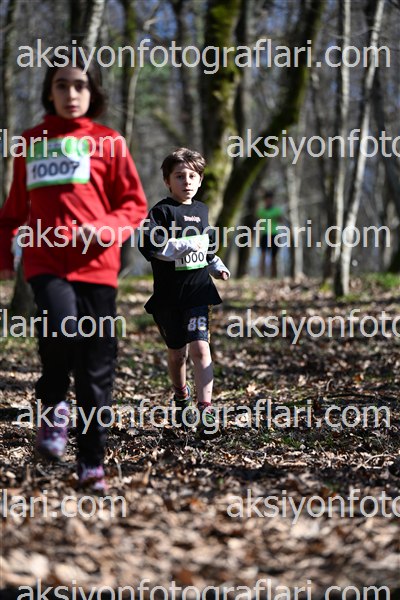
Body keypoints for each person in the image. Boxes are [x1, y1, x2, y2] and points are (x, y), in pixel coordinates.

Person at [0, 51, 148, 491]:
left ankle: (91, 463)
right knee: (61, 331)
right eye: (61, 85)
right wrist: (5, 259)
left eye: (80, 85)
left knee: (95, 367)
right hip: (46, 262)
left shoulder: (109, 142)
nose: (71, 93)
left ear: (93, 91)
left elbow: (133, 205)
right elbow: (13, 212)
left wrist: (104, 229)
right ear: (49, 92)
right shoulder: (30, 142)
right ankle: (52, 408)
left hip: (97, 267)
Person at [139, 148, 230, 433]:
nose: (186, 182)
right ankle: (181, 395)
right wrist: (183, 245)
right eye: (179, 176)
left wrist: (215, 264)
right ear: (167, 181)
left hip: (198, 292)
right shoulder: (161, 212)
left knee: (201, 348)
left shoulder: (202, 210)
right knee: (177, 354)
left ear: (200, 180)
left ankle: (206, 409)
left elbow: (206, 246)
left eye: (192, 176)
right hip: (168, 296)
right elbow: (152, 247)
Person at [257, 191, 283, 278]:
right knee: (263, 255)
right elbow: (258, 223)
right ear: (264, 201)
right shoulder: (261, 211)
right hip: (265, 234)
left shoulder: (276, 210)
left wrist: (277, 217)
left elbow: (281, 220)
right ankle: (262, 275)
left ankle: (274, 275)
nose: (268, 201)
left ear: (272, 200)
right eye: (266, 200)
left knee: (274, 256)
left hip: (275, 234)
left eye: (270, 200)